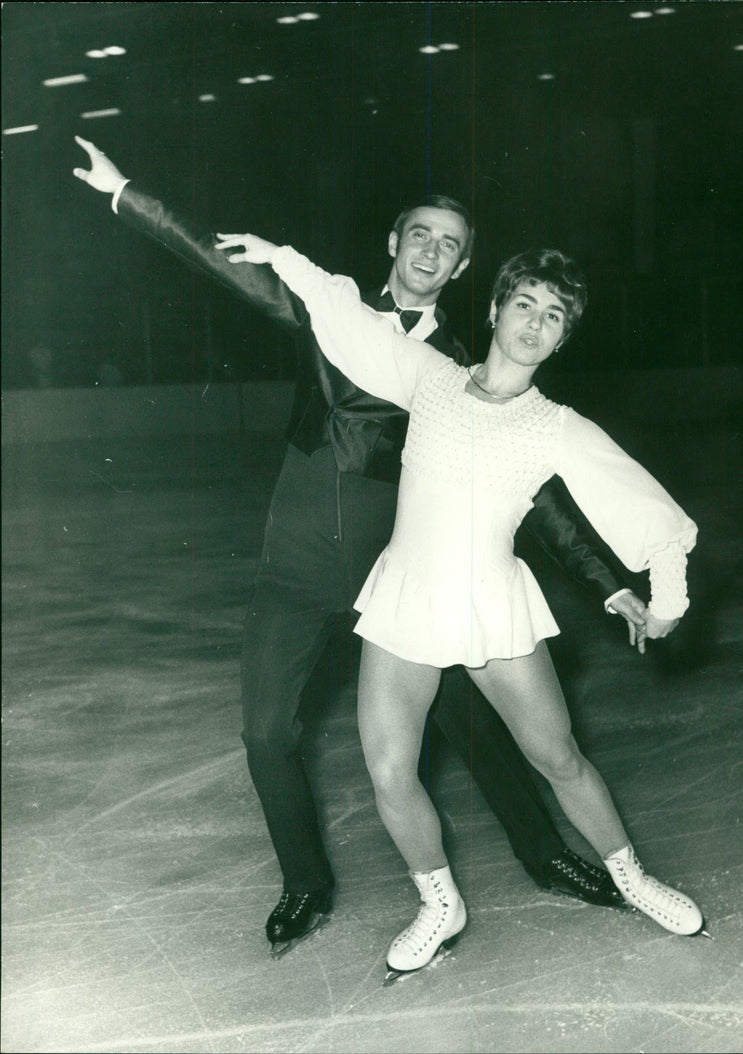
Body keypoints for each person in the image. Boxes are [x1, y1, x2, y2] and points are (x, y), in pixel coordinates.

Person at [72, 137, 655, 960]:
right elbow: (228, 266)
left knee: (482, 726)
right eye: (420, 233)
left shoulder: (461, 366)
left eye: (450, 244)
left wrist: (606, 580)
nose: (431, 250)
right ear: (393, 242)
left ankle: (547, 854)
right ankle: (306, 881)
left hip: (405, 579)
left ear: (463, 274)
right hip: (301, 555)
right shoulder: (332, 312)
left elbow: (546, 493)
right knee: (266, 730)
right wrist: (125, 193)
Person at [211, 232, 709, 980]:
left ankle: (633, 878)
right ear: (499, 309)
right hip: (406, 600)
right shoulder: (433, 379)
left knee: (559, 758)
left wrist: (666, 596)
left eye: (554, 317)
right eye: (525, 305)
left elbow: (639, 503)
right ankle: (440, 902)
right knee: (388, 769)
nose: (534, 323)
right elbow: (344, 318)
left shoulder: (556, 426)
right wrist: (282, 257)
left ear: (563, 337)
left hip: (491, 606)